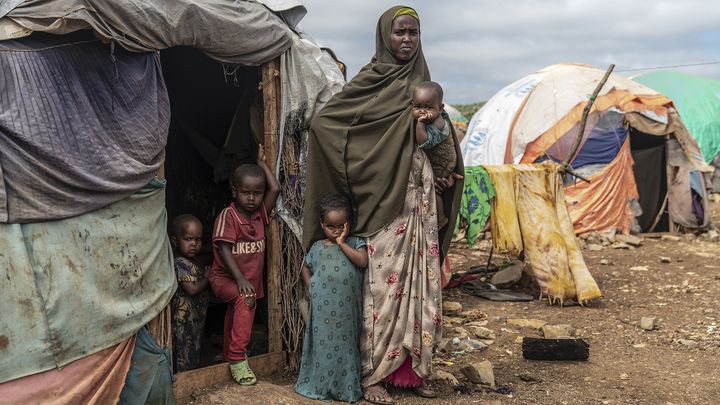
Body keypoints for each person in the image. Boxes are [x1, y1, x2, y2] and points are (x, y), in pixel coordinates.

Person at [302, 6, 464, 405]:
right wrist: (372, 169)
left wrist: (442, 164)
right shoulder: (370, 81)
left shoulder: (424, 84)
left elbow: (444, 140)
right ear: (384, 37)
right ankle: (373, 375)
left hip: (420, 204)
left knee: (420, 286)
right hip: (382, 204)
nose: (407, 39)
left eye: (413, 32)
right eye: (400, 32)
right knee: (382, 293)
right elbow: (328, 126)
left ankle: (410, 373)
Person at [208, 146, 280, 385]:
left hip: (245, 279)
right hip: (224, 278)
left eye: (257, 193)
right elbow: (223, 248)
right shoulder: (228, 217)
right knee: (244, 300)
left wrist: (262, 166)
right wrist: (239, 280)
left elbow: (276, 188)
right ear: (234, 191)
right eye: (246, 192)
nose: (252, 198)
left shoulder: (260, 214)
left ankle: (229, 353)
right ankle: (238, 359)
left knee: (236, 309)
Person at [294, 194, 368, 402]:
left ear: (349, 223)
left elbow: (362, 262)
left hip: (346, 313)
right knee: (322, 348)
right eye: (330, 226)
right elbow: (305, 267)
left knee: (346, 348)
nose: (336, 231)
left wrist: (342, 242)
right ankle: (320, 386)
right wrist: (311, 287)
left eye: (341, 226)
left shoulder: (355, 243)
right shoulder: (317, 247)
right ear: (321, 224)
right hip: (322, 313)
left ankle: (346, 390)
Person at [413, 80, 457, 229]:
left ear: (441, 108)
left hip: (441, 164)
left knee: (433, 188)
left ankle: (441, 218)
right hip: (441, 161)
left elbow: (424, 142)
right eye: (417, 107)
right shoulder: (435, 117)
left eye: (428, 107)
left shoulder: (438, 123)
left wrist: (419, 124)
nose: (423, 112)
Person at [170, 214, 210, 373]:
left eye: (198, 239)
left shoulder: (193, 261)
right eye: (188, 239)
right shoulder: (178, 262)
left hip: (194, 319)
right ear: (174, 241)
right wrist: (207, 278)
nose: (194, 244)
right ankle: (182, 380)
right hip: (183, 321)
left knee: (193, 347)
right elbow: (192, 288)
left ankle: (190, 375)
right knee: (183, 350)